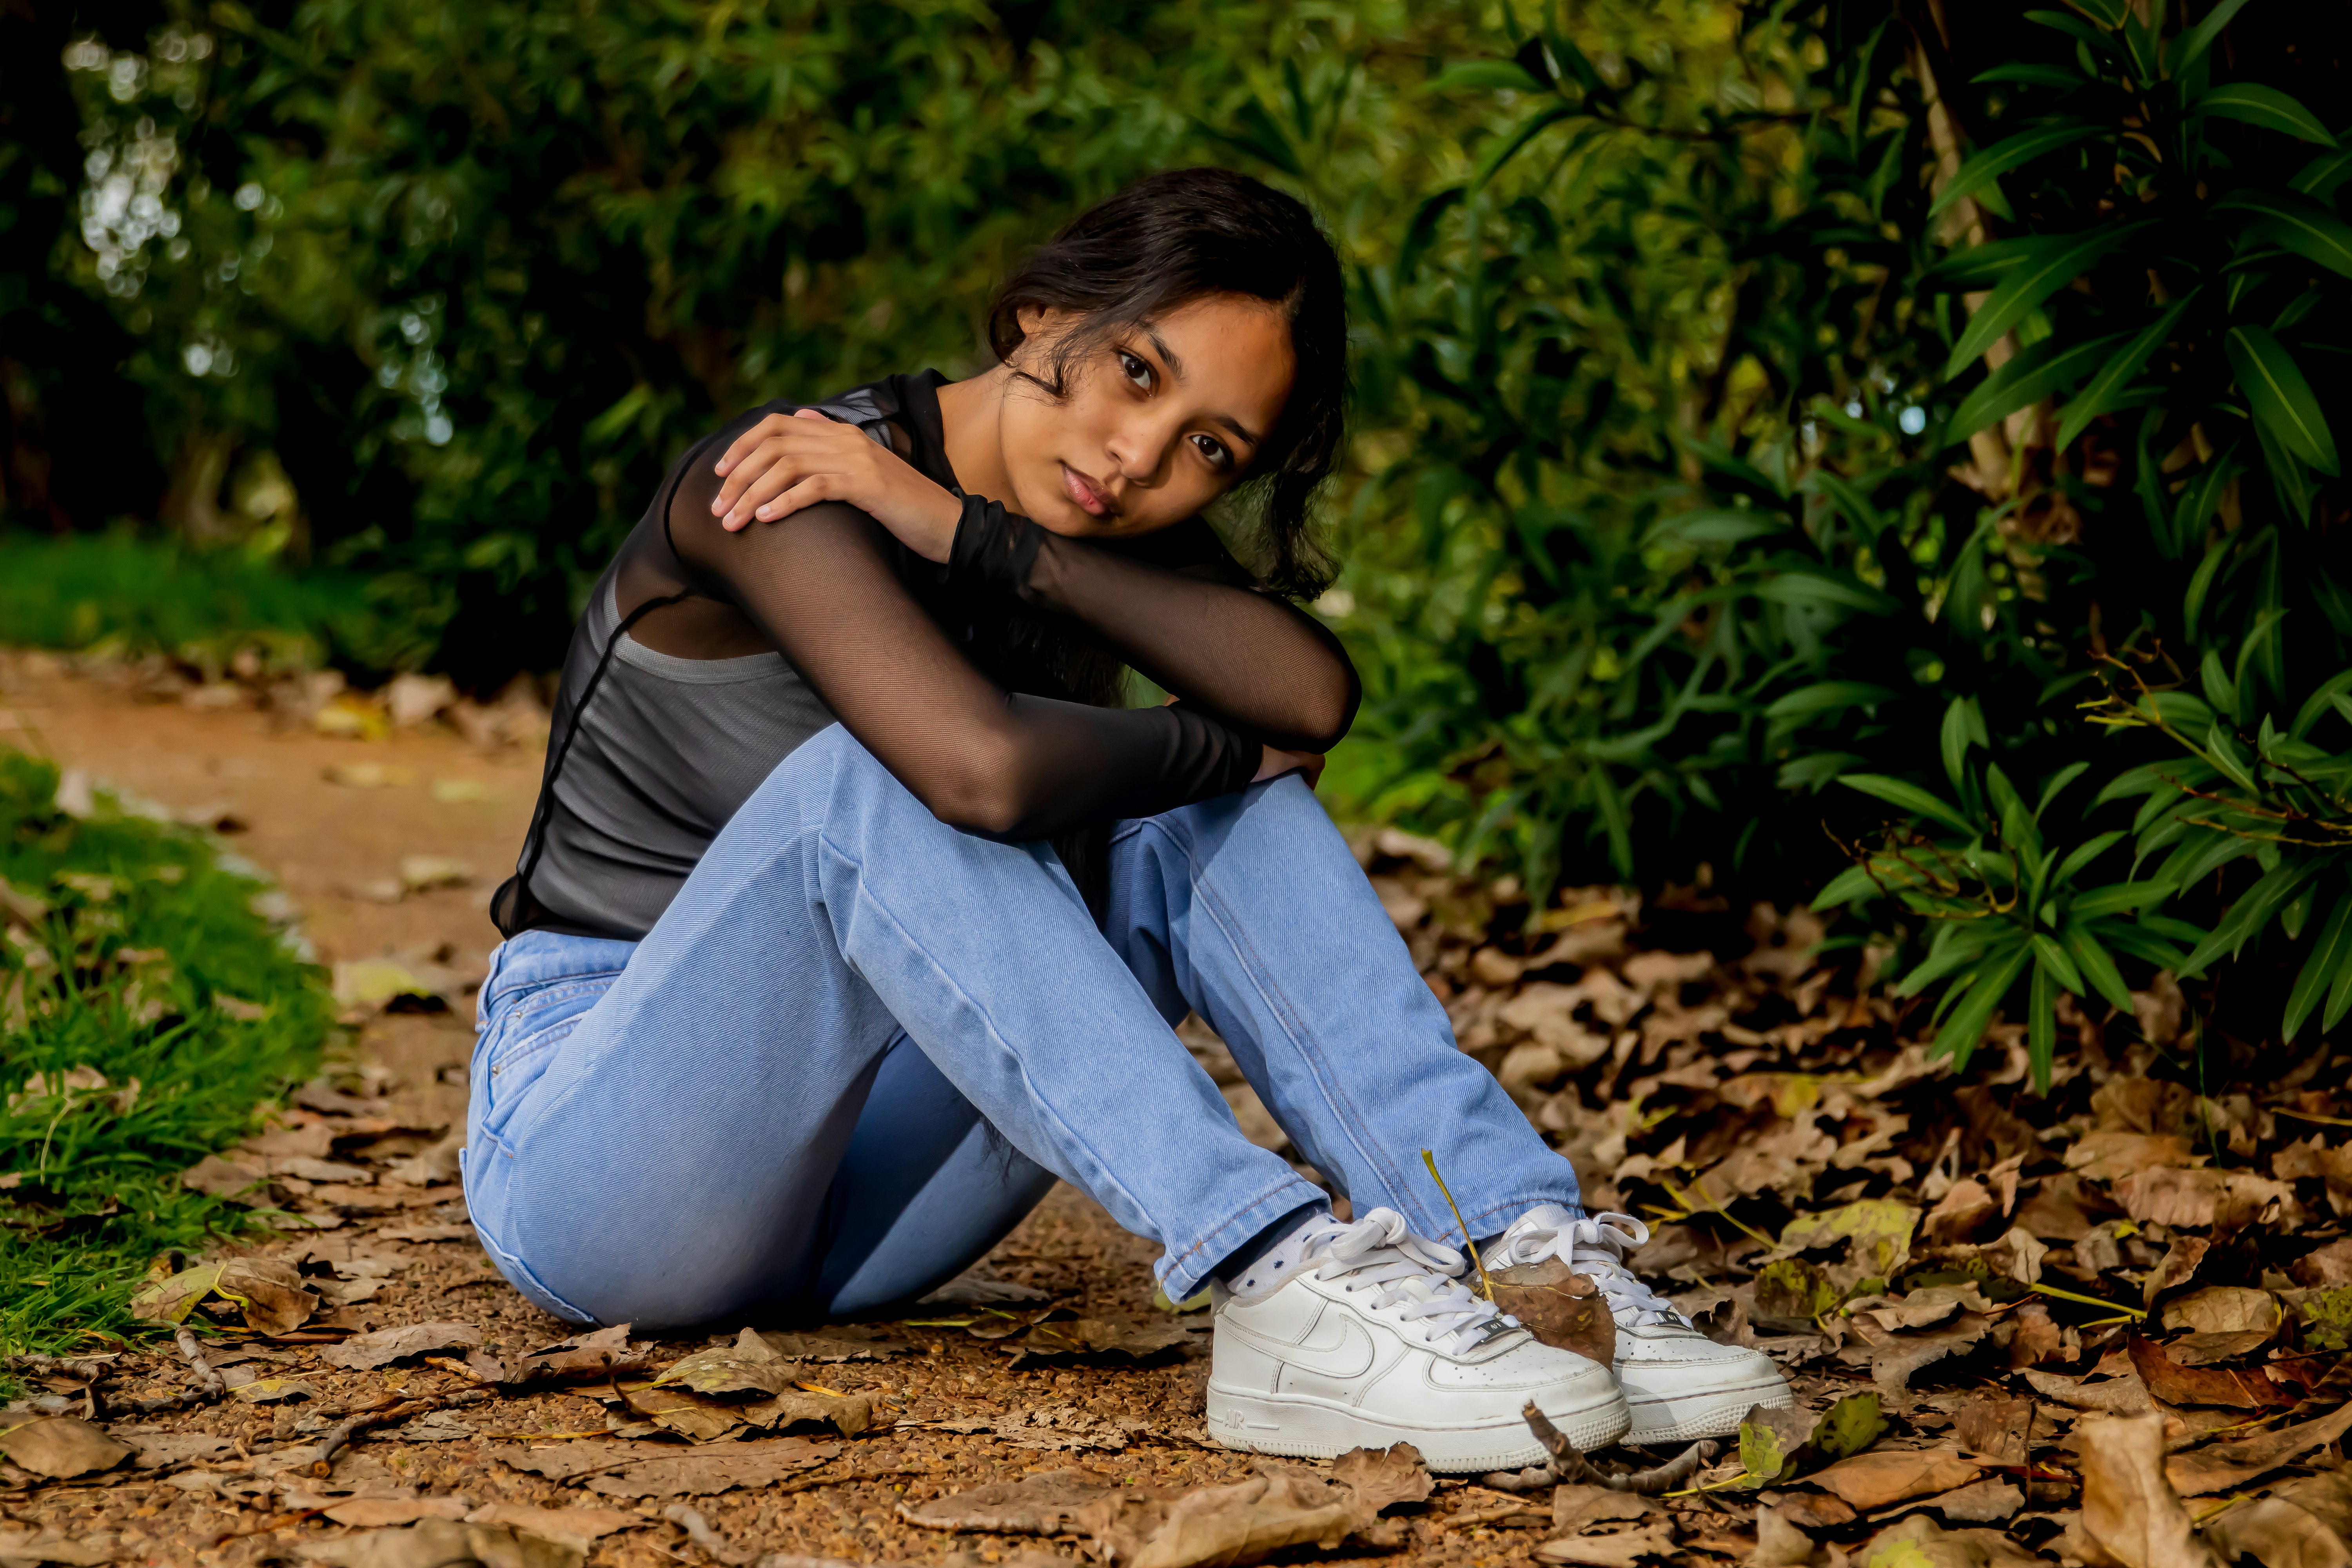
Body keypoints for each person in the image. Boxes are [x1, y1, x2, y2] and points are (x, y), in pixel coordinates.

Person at [461, 167, 1789, 1471]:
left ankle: (1521, 1257)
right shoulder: (782, 477)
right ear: (1046, 311)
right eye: (1139, 373)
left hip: (864, 1213)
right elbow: (979, 771)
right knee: (877, 787)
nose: (1139, 457)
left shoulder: (1081, 531)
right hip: (609, 1162)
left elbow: (1313, 692)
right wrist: (1218, 742)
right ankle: (1270, 1277)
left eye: (1211, 449)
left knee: (1218, 812)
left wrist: (977, 536)